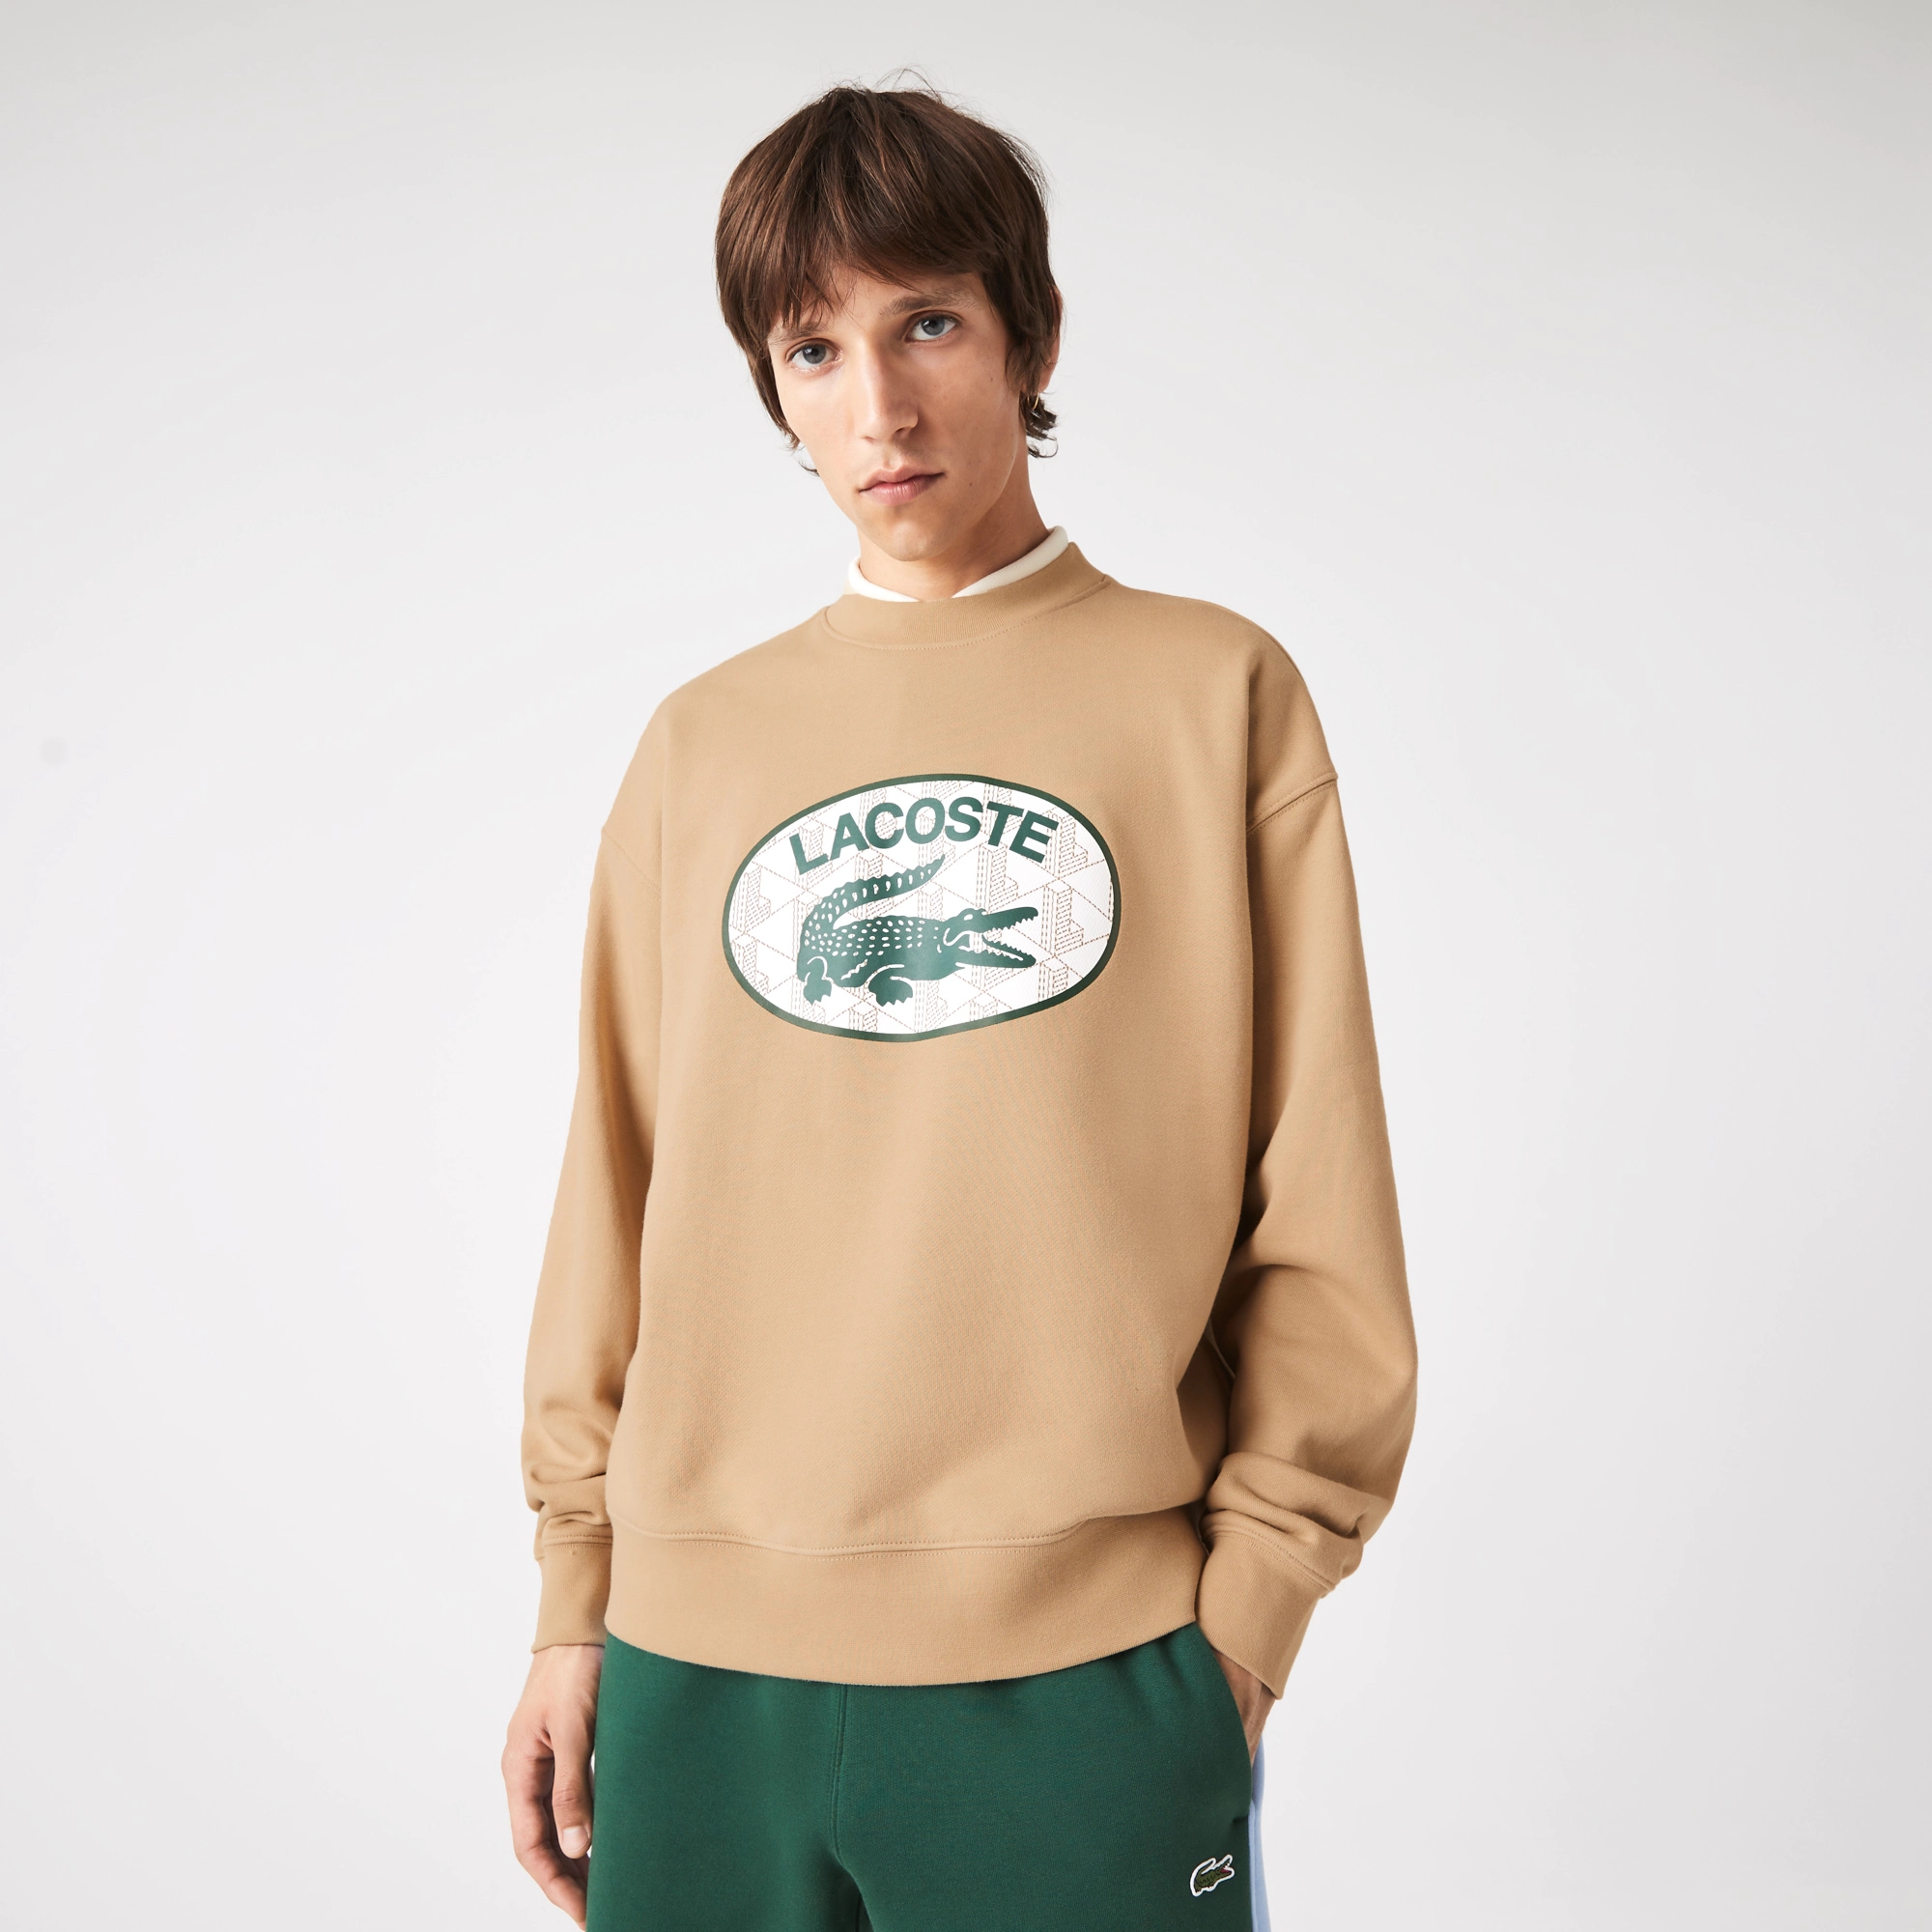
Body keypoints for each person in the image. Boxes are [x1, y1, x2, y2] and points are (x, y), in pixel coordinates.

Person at [501, 81, 1417, 1932]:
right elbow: (619, 1188)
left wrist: (1243, 1625)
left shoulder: (1213, 695)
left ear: (1032, 333)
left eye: (926, 323)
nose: (881, 409)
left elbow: (1318, 1186)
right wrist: (573, 1601)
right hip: (694, 1668)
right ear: (774, 388)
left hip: (1084, 1673)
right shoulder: (702, 745)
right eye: (814, 349)